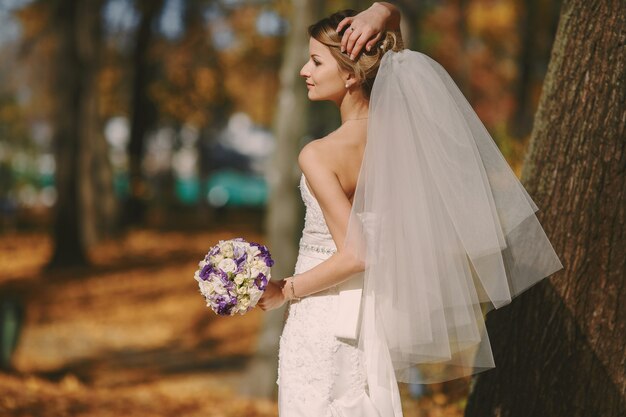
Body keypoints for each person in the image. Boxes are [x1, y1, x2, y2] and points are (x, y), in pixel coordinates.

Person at [258, 2, 564, 416]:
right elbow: (396, 52)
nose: (304, 72)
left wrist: (285, 290)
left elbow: (357, 253)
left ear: (350, 74)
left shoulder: (318, 154)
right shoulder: (403, 141)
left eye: (314, 61)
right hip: (376, 319)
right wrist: (386, 12)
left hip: (324, 317)